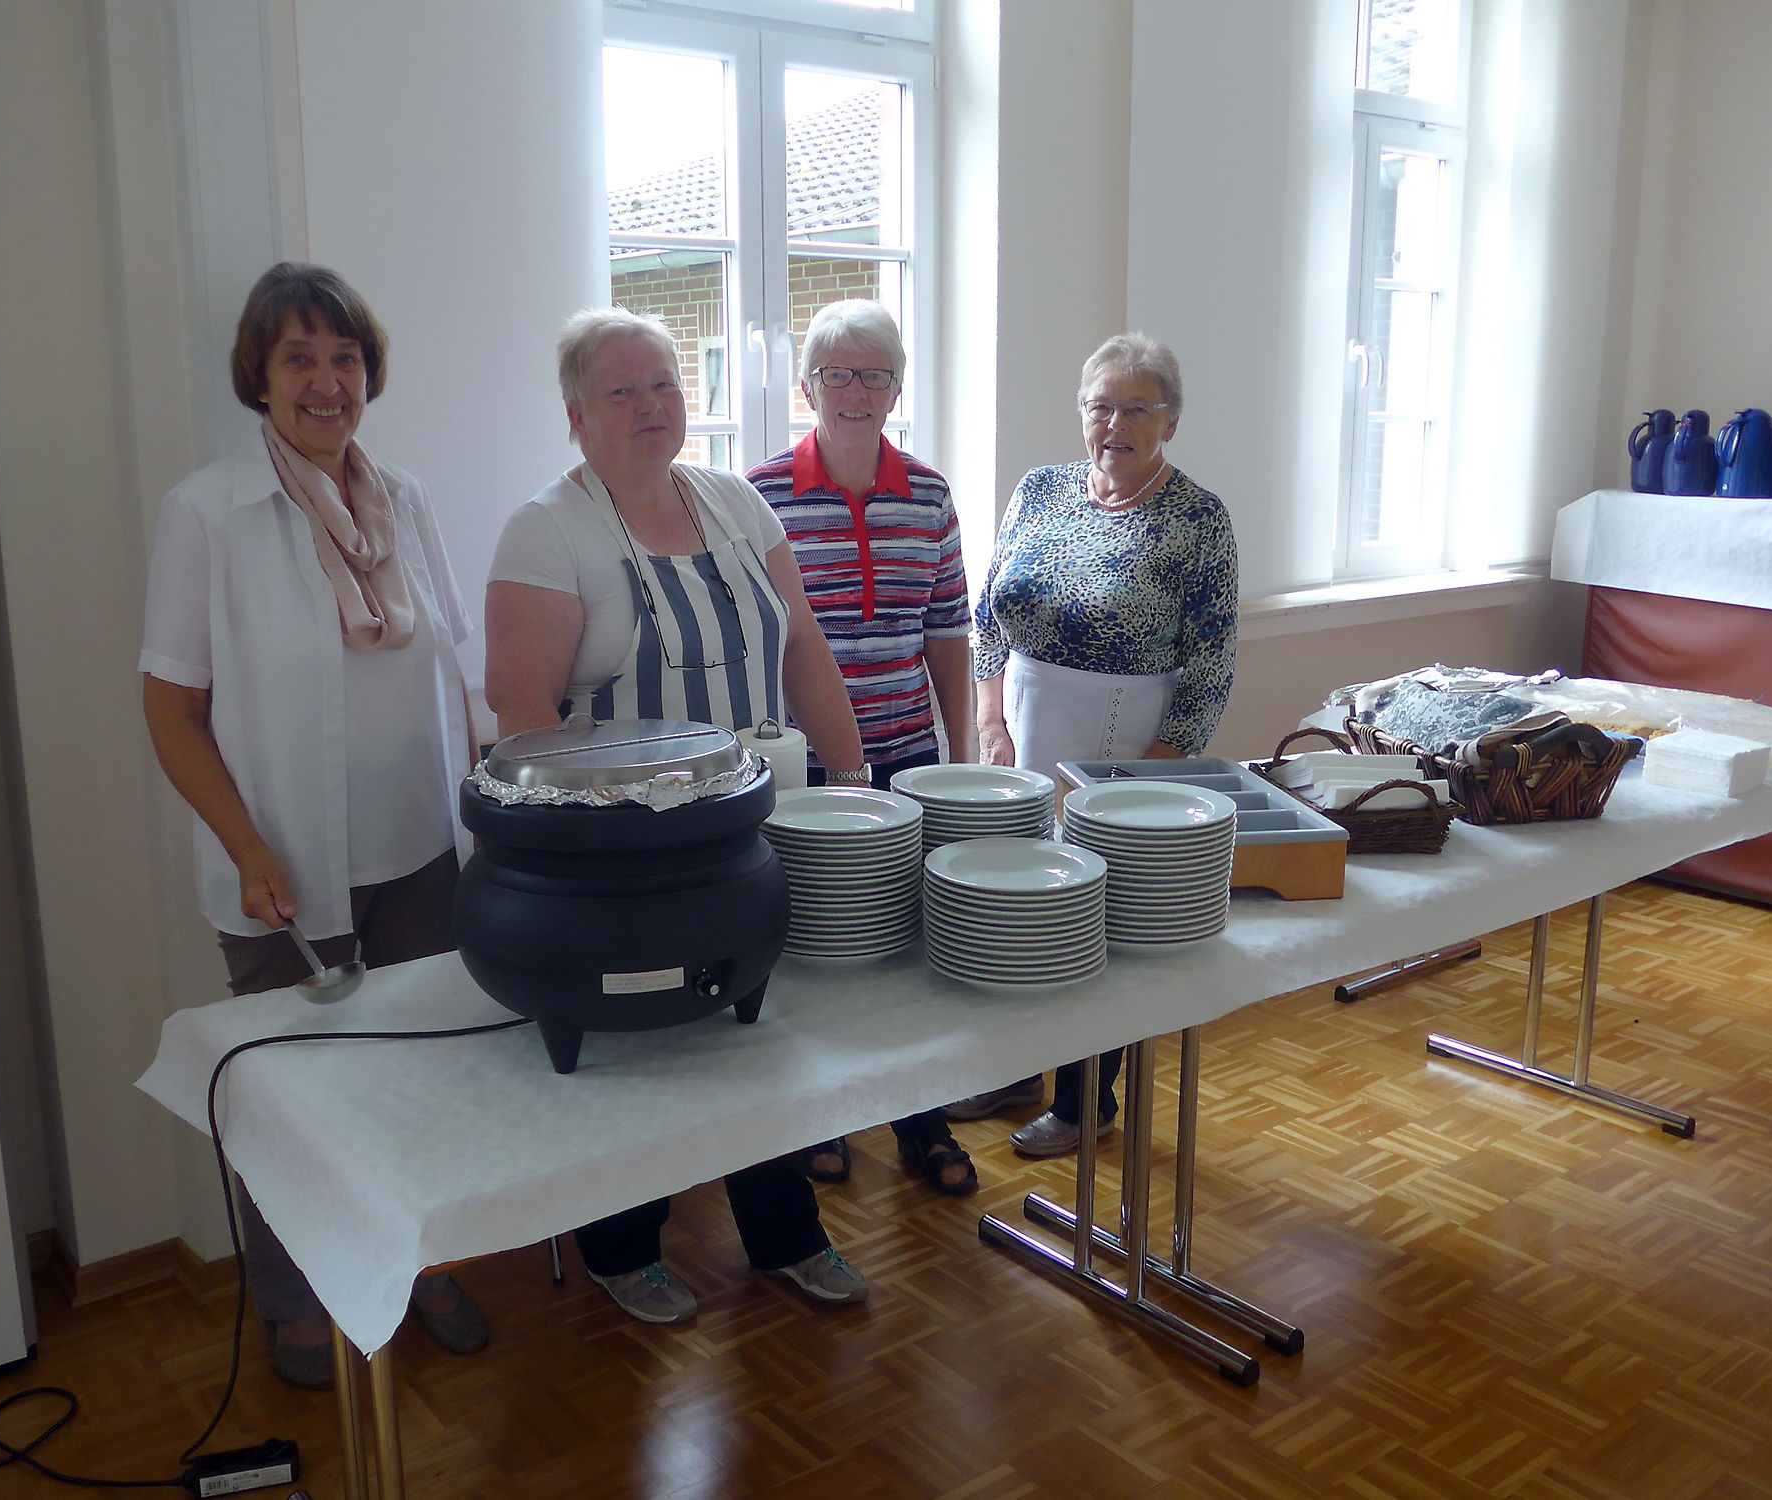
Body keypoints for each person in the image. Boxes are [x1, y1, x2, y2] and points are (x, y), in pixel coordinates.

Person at [484, 307, 873, 1323]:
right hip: (627, 854)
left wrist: (852, 780)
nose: (651, 405)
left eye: (663, 383)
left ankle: (787, 1235)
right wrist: (587, 848)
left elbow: (802, 649)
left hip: (754, 827)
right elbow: (520, 708)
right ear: (576, 415)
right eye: (622, 390)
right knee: (639, 1043)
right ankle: (623, 1247)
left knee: (760, 1035)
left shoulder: (734, 502)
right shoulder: (548, 530)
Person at [139, 263, 488, 1388]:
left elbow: (455, 677)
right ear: (261, 374)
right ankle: (296, 1303)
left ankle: (421, 1264)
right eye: (300, 358)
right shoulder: (208, 512)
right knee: (291, 1099)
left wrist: (489, 805)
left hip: (419, 852)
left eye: (344, 358)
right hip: (280, 868)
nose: (326, 381)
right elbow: (171, 709)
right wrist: (246, 847)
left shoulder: (409, 501)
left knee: (423, 1077)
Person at [947, 332, 1238, 1157]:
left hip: (1126, 740)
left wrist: (1153, 774)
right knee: (1017, 900)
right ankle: (1013, 1069)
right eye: (1100, 406)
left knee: (1097, 918)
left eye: (1136, 409)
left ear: (1170, 422)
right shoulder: (1040, 489)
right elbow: (987, 614)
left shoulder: (1198, 519)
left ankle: (1085, 1102)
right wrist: (990, 720)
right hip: (1024, 723)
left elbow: (1213, 662)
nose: (1115, 424)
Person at [745, 299, 978, 1198]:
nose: (856, 390)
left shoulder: (929, 495)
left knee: (910, 951)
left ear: (896, 391)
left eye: (874, 374)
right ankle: (822, 1117)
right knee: (816, 949)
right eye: (837, 373)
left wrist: (961, 753)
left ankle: (922, 1119)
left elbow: (948, 635)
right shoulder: (759, 495)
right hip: (803, 771)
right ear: (808, 387)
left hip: (908, 760)